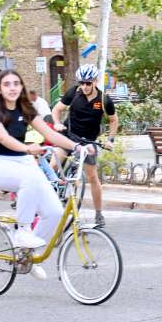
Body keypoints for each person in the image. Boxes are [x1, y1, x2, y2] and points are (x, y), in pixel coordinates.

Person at [0, 69, 85, 280]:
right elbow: (3, 139)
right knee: (29, 177)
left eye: (16, 84)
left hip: (23, 162)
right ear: (0, 90)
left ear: (21, 88)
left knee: (55, 213)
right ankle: (23, 230)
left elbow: (50, 134)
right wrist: (28, 148)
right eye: (7, 84)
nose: (12, 88)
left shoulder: (24, 109)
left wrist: (77, 147)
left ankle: (26, 255)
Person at [51, 65, 117, 227]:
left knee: (92, 177)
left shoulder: (103, 100)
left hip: (88, 142)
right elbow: (56, 110)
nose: (85, 86)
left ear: (95, 81)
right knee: (53, 165)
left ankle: (98, 213)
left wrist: (110, 140)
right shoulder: (74, 93)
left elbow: (114, 120)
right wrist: (57, 123)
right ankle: (50, 193)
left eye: (88, 83)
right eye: (82, 83)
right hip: (69, 136)